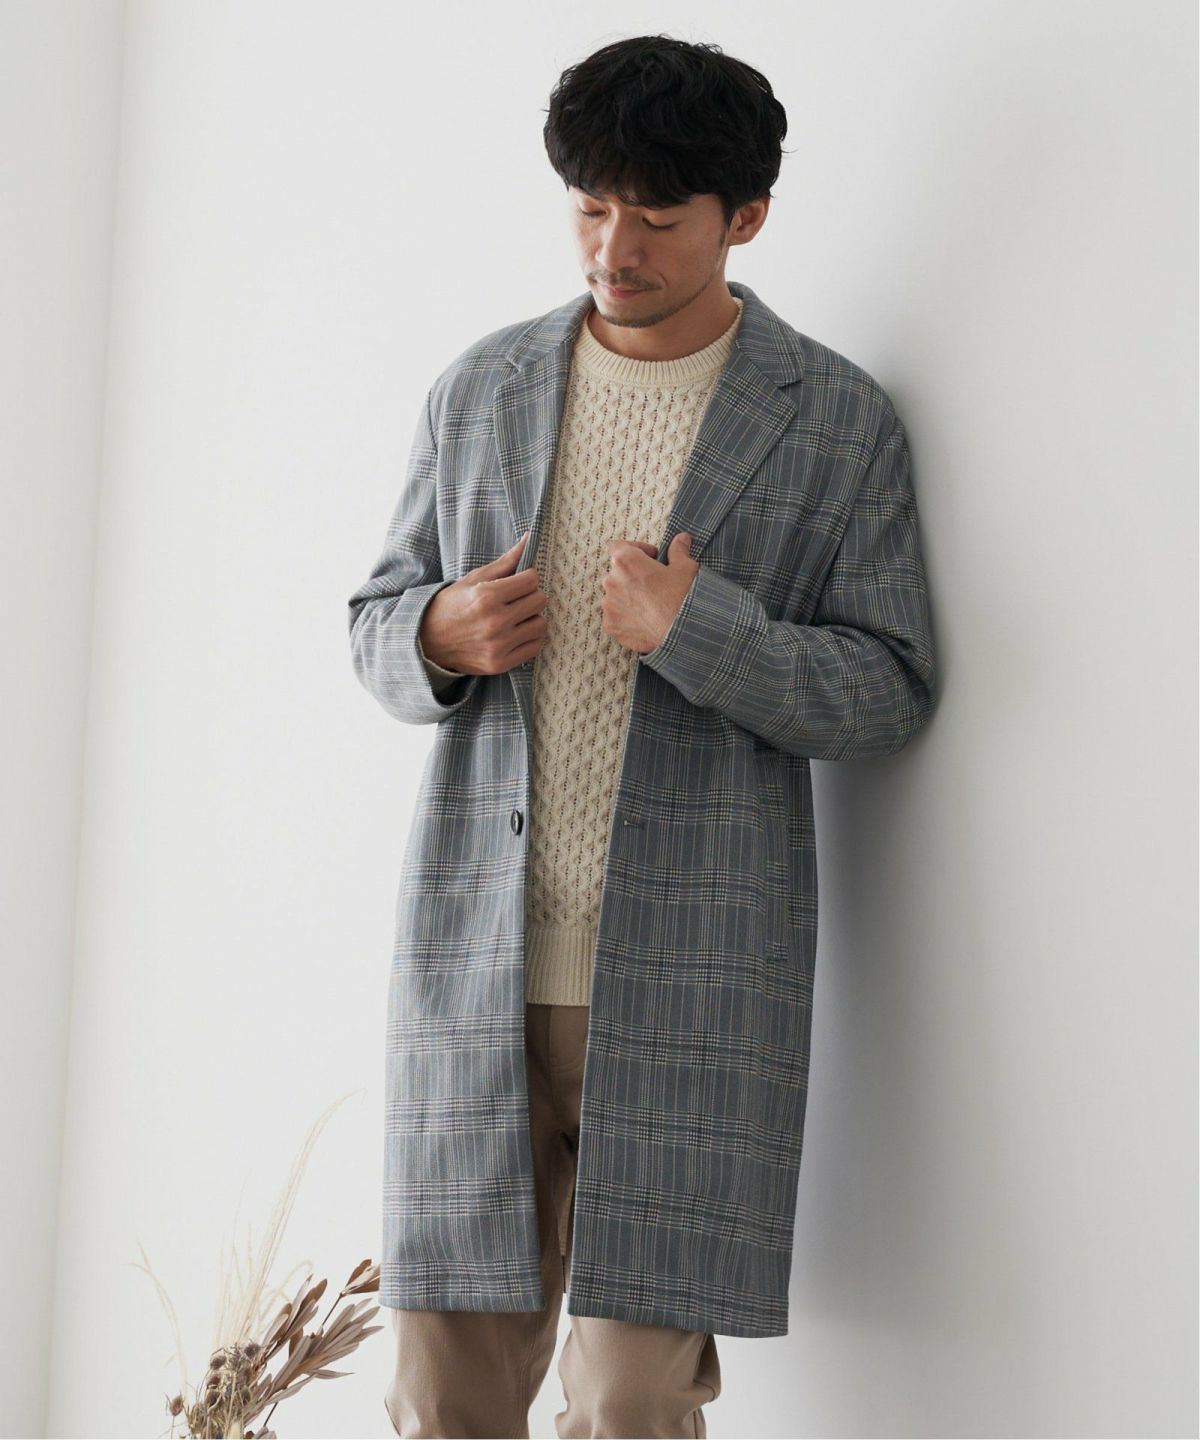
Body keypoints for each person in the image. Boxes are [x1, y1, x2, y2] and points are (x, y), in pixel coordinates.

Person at [348, 33, 937, 1440]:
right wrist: (436, 634)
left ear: (747, 218)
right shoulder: (481, 388)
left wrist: (702, 633)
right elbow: (374, 620)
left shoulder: (835, 420)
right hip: (476, 972)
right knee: (442, 1404)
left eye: (659, 217)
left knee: (629, 1407)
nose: (615, 249)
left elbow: (890, 685)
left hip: (694, 990)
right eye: (592, 207)